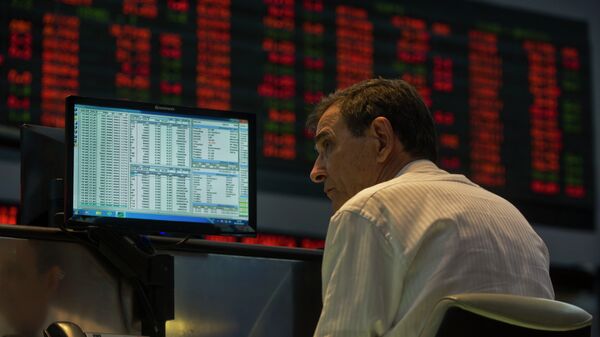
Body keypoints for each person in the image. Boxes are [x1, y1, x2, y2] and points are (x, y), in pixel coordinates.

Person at [306, 78, 554, 337]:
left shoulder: (367, 211)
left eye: (327, 146)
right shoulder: (516, 222)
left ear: (381, 139)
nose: (316, 172)